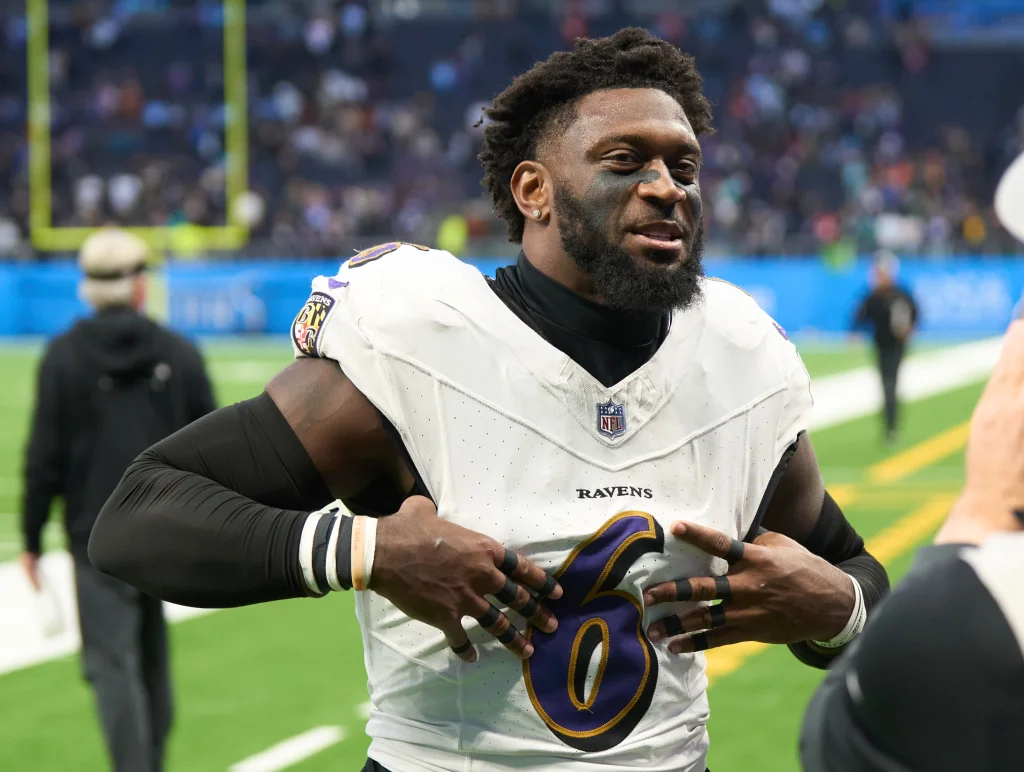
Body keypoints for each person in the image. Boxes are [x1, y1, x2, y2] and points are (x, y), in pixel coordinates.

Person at [89, 30, 889, 772]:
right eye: (625, 160)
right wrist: (370, 554)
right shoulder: (420, 333)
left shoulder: (740, 357)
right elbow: (140, 516)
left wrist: (837, 607)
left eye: (684, 167)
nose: (665, 188)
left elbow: (850, 569)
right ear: (534, 190)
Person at [800, 149, 1024, 772]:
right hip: (881, 353)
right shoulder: (882, 293)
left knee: (895, 392)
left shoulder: (976, 612)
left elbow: (839, 739)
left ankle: (894, 423)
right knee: (887, 392)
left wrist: (980, 508)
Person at [20, 228, 215, 772]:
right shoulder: (178, 352)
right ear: (137, 286)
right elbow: (215, 446)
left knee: (112, 664)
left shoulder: (62, 357)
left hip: (96, 536)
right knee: (151, 658)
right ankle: (151, 760)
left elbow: (44, 458)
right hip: (165, 530)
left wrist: (33, 539)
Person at [851, 252, 919, 445]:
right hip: (881, 345)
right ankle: (889, 427)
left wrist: (910, 328)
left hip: (896, 346)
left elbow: (914, 313)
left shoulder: (899, 295)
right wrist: (855, 330)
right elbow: (860, 315)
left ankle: (891, 427)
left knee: (890, 385)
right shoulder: (874, 296)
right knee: (886, 385)